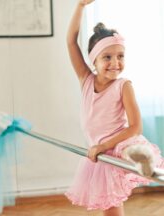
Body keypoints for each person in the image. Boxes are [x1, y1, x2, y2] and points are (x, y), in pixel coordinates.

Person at [65, 0, 164, 215]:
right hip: (100, 153)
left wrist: (104, 146)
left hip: (119, 142)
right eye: (107, 57)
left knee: (128, 150)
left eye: (120, 56)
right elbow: (71, 42)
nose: (115, 63)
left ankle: (141, 159)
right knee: (111, 209)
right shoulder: (86, 81)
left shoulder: (123, 85)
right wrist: (80, 6)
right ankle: (139, 159)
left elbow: (135, 127)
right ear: (94, 60)